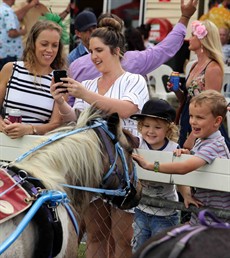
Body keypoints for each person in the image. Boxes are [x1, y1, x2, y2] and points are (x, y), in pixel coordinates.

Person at [50, 16, 149, 258]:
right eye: (91, 50)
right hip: (95, 166)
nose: (94, 56)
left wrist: (84, 93)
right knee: (95, 235)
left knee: (123, 238)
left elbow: (126, 110)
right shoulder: (90, 83)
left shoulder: (134, 80)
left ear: (116, 51)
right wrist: (61, 102)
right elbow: (76, 119)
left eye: (99, 50)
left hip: (124, 168)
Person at [133, 90, 230, 225]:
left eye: (200, 118)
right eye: (191, 116)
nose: (193, 122)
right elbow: (198, 161)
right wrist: (188, 155)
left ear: (217, 121)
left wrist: (151, 166)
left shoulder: (214, 145)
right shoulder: (203, 140)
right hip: (203, 210)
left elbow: (184, 168)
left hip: (216, 215)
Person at [130, 98, 200, 252]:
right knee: (139, 249)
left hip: (166, 213)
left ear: (168, 129)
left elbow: (180, 177)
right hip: (141, 209)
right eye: (146, 126)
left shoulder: (173, 149)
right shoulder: (137, 145)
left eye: (157, 127)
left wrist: (186, 195)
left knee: (161, 251)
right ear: (140, 127)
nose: (151, 131)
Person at [69, 0, 198, 83]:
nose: (95, 57)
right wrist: (185, 17)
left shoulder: (77, 65)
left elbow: (69, 103)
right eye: (94, 51)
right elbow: (165, 49)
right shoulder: (134, 61)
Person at [0, 20, 66, 138]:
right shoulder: (10, 69)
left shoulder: (59, 81)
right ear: (33, 44)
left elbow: (57, 124)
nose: (50, 50)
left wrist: (30, 129)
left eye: (54, 45)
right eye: (44, 44)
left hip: (38, 151)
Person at [171, 19, 225, 149]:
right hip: (188, 117)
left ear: (203, 40)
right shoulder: (194, 65)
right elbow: (187, 99)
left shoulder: (213, 68)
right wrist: (176, 90)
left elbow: (211, 106)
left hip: (203, 124)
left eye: (193, 35)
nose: (189, 39)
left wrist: (193, 137)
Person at [0, 0, 27, 70]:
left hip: (2, 52)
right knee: (8, 77)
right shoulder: (8, 11)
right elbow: (11, 33)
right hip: (9, 52)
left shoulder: (1, 9)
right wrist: (23, 31)